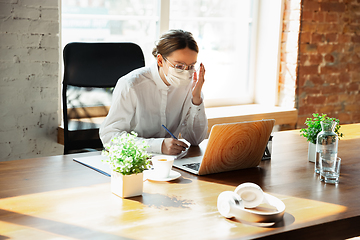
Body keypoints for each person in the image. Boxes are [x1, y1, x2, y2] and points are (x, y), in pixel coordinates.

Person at [99, 29, 208, 155]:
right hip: (134, 162)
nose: (186, 72)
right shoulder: (131, 84)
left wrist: (196, 99)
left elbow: (195, 139)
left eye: (191, 66)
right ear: (160, 60)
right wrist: (158, 146)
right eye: (179, 66)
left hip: (170, 163)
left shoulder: (189, 85)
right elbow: (109, 137)